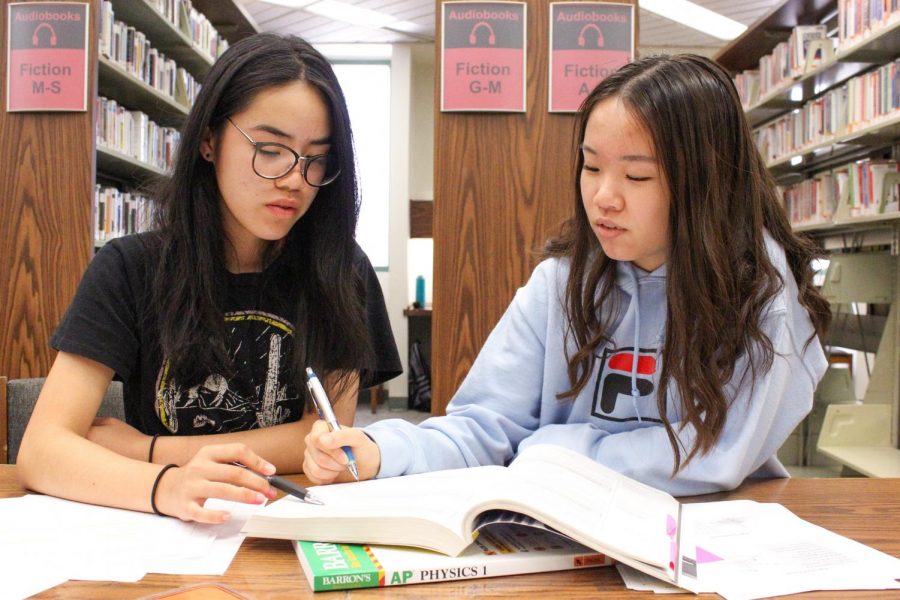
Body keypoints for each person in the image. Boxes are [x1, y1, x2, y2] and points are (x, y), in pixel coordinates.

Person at [303, 54, 831, 496]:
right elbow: (484, 427)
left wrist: (554, 451)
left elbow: (718, 456)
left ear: (705, 181)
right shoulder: (561, 284)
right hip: (570, 530)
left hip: (711, 539)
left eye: (638, 175)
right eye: (592, 166)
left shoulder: (759, 292)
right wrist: (378, 449)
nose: (604, 196)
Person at [17, 33, 401, 522]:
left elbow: (324, 437)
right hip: (159, 527)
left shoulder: (341, 270)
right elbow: (41, 451)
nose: (293, 179)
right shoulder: (129, 269)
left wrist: (149, 450)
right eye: (270, 149)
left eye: (317, 158)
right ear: (209, 141)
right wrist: (169, 485)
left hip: (286, 520)